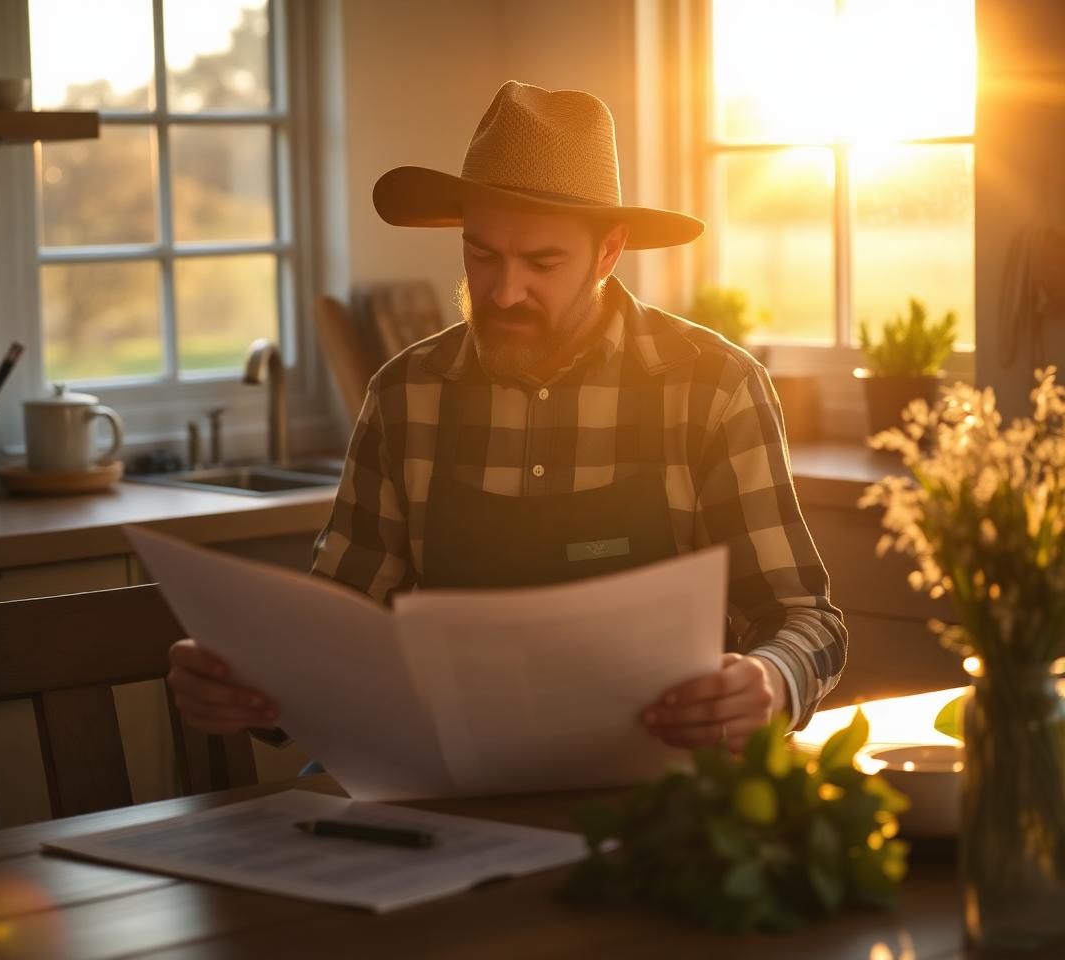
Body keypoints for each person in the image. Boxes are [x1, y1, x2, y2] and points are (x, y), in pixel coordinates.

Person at [168, 81, 847, 757]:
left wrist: (769, 680)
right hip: (440, 794)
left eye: (542, 262)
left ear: (608, 253)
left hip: (653, 811)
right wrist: (247, 682)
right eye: (481, 254)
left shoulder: (715, 388)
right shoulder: (406, 396)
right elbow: (335, 632)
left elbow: (804, 620)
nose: (504, 291)